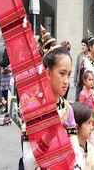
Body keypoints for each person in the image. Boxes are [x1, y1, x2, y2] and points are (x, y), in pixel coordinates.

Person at [22, 25, 82, 170]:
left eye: (69, 74)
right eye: (62, 74)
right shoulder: (33, 108)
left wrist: (79, 167)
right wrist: (50, 134)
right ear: (47, 73)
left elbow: (76, 151)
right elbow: (28, 164)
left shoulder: (67, 109)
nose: (67, 81)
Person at [71, 101, 94, 170]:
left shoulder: (91, 149)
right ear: (76, 127)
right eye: (88, 123)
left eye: (91, 122)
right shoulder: (71, 152)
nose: (92, 127)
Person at [0, 48, 12, 125]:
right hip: (8, 74)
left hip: (6, 75)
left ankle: (6, 118)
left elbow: (4, 63)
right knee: (7, 96)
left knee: (5, 96)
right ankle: (7, 118)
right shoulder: (10, 50)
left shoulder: (7, 50)